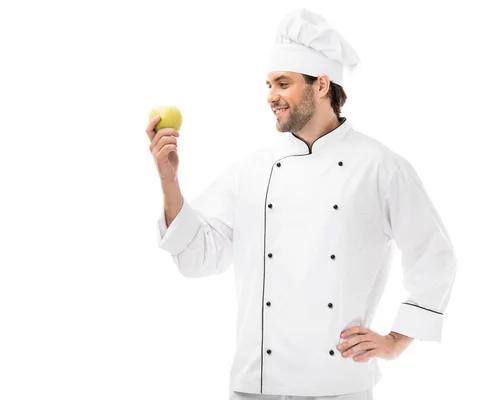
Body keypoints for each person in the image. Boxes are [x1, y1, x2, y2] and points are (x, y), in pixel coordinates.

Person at [145, 8, 457, 400]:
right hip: (255, 384)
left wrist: (396, 340)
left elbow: (435, 256)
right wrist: (169, 180)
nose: (270, 96)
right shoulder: (251, 168)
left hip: (339, 384)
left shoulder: (379, 167)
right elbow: (198, 259)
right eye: (269, 84)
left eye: (282, 83)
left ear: (321, 84)